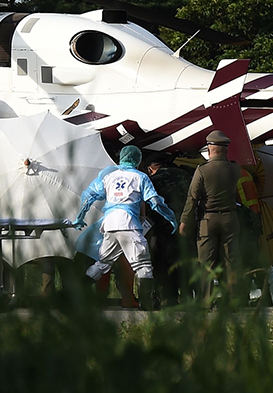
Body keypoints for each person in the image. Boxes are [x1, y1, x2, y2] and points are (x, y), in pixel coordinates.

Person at [74, 145, 178, 311]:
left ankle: (74, 294)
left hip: (109, 224)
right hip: (129, 223)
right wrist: (171, 217)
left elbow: (88, 196)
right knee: (143, 264)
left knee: (103, 263)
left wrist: (80, 217)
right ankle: (146, 303)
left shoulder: (108, 175)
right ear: (137, 160)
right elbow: (155, 201)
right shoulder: (140, 177)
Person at [179, 130, 241, 303]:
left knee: (205, 262)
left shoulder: (203, 170)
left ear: (209, 149)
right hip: (230, 219)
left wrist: (185, 221)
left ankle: (205, 301)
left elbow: (192, 198)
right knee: (231, 261)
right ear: (225, 149)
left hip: (208, 220)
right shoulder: (235, 169)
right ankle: (232, 300)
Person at [144, 155, 189, 306]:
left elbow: (150, 206)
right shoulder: (184, 175)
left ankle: (167, 297)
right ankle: (188, 297)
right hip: (186, 225)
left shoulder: (152, 180)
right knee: (184, 260)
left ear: (151, 169)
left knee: (162, 261)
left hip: (162, 227)